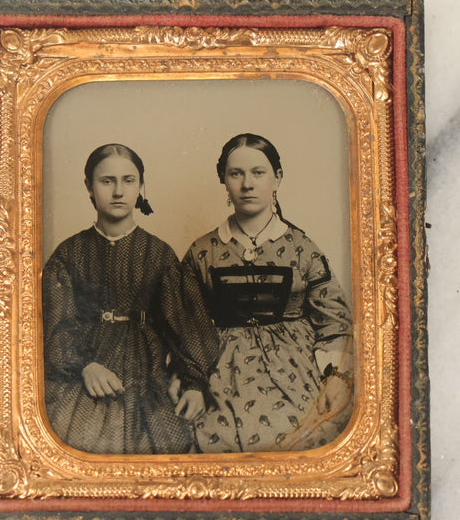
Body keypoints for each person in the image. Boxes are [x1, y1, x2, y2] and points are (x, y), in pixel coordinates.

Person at [174, 133, 353, 453]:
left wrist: (336, 377)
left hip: (295, 369)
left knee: (305, 434)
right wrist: (190, 380)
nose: (247, 184)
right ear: (224, 180)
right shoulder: (202, 251)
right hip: (220, 372)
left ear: (277, 178)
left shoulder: (302, 247)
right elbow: (186, 325)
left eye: (258, 173)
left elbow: (335, 320)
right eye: (236, 174)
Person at [42, 144, 218, 454]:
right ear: (89, 187)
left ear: (141, 186)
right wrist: (85, 366)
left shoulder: (159, 254)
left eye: (128, 180)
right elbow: (55, 326)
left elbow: (186, 325)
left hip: (146, 371)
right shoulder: (68, 255)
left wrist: (194, 383)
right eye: (107, 181)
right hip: (84, 370)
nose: (118, 191)